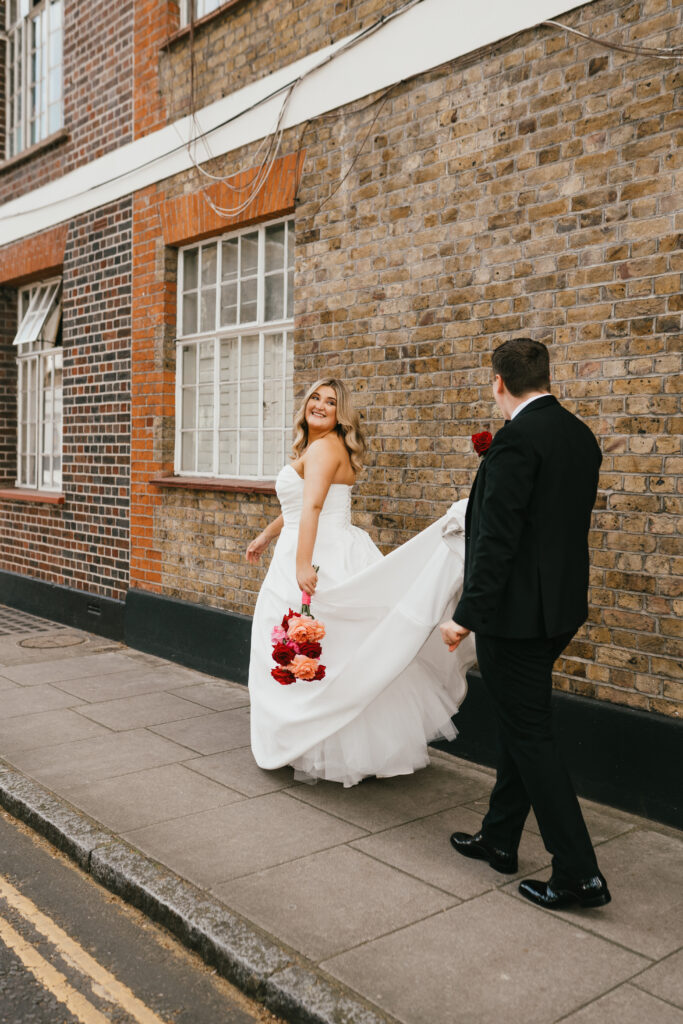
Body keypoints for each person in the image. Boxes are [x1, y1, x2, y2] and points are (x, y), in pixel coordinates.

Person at [440, 337, 610, 910]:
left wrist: (466, 617)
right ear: (544, 375)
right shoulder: (579, 435)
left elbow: (498, 540)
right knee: (521, 720)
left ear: (498, 382)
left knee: (532, 736)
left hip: (517, 618)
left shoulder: (515, 442)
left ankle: (578, 874)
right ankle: (500, 838)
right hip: (560, 610)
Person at [246, 377, 475, 787]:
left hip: (318, 553)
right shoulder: (321, 448)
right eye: (315, 397)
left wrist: (302, 566)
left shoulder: (323, 448)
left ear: (340, 414)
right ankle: (326, 742)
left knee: (319, 649)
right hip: (328, 545)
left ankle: (316, 742)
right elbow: (299, 504)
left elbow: (313, 507)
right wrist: (267, 535)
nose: (319, 405)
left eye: (330, 402)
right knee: (340, 650)